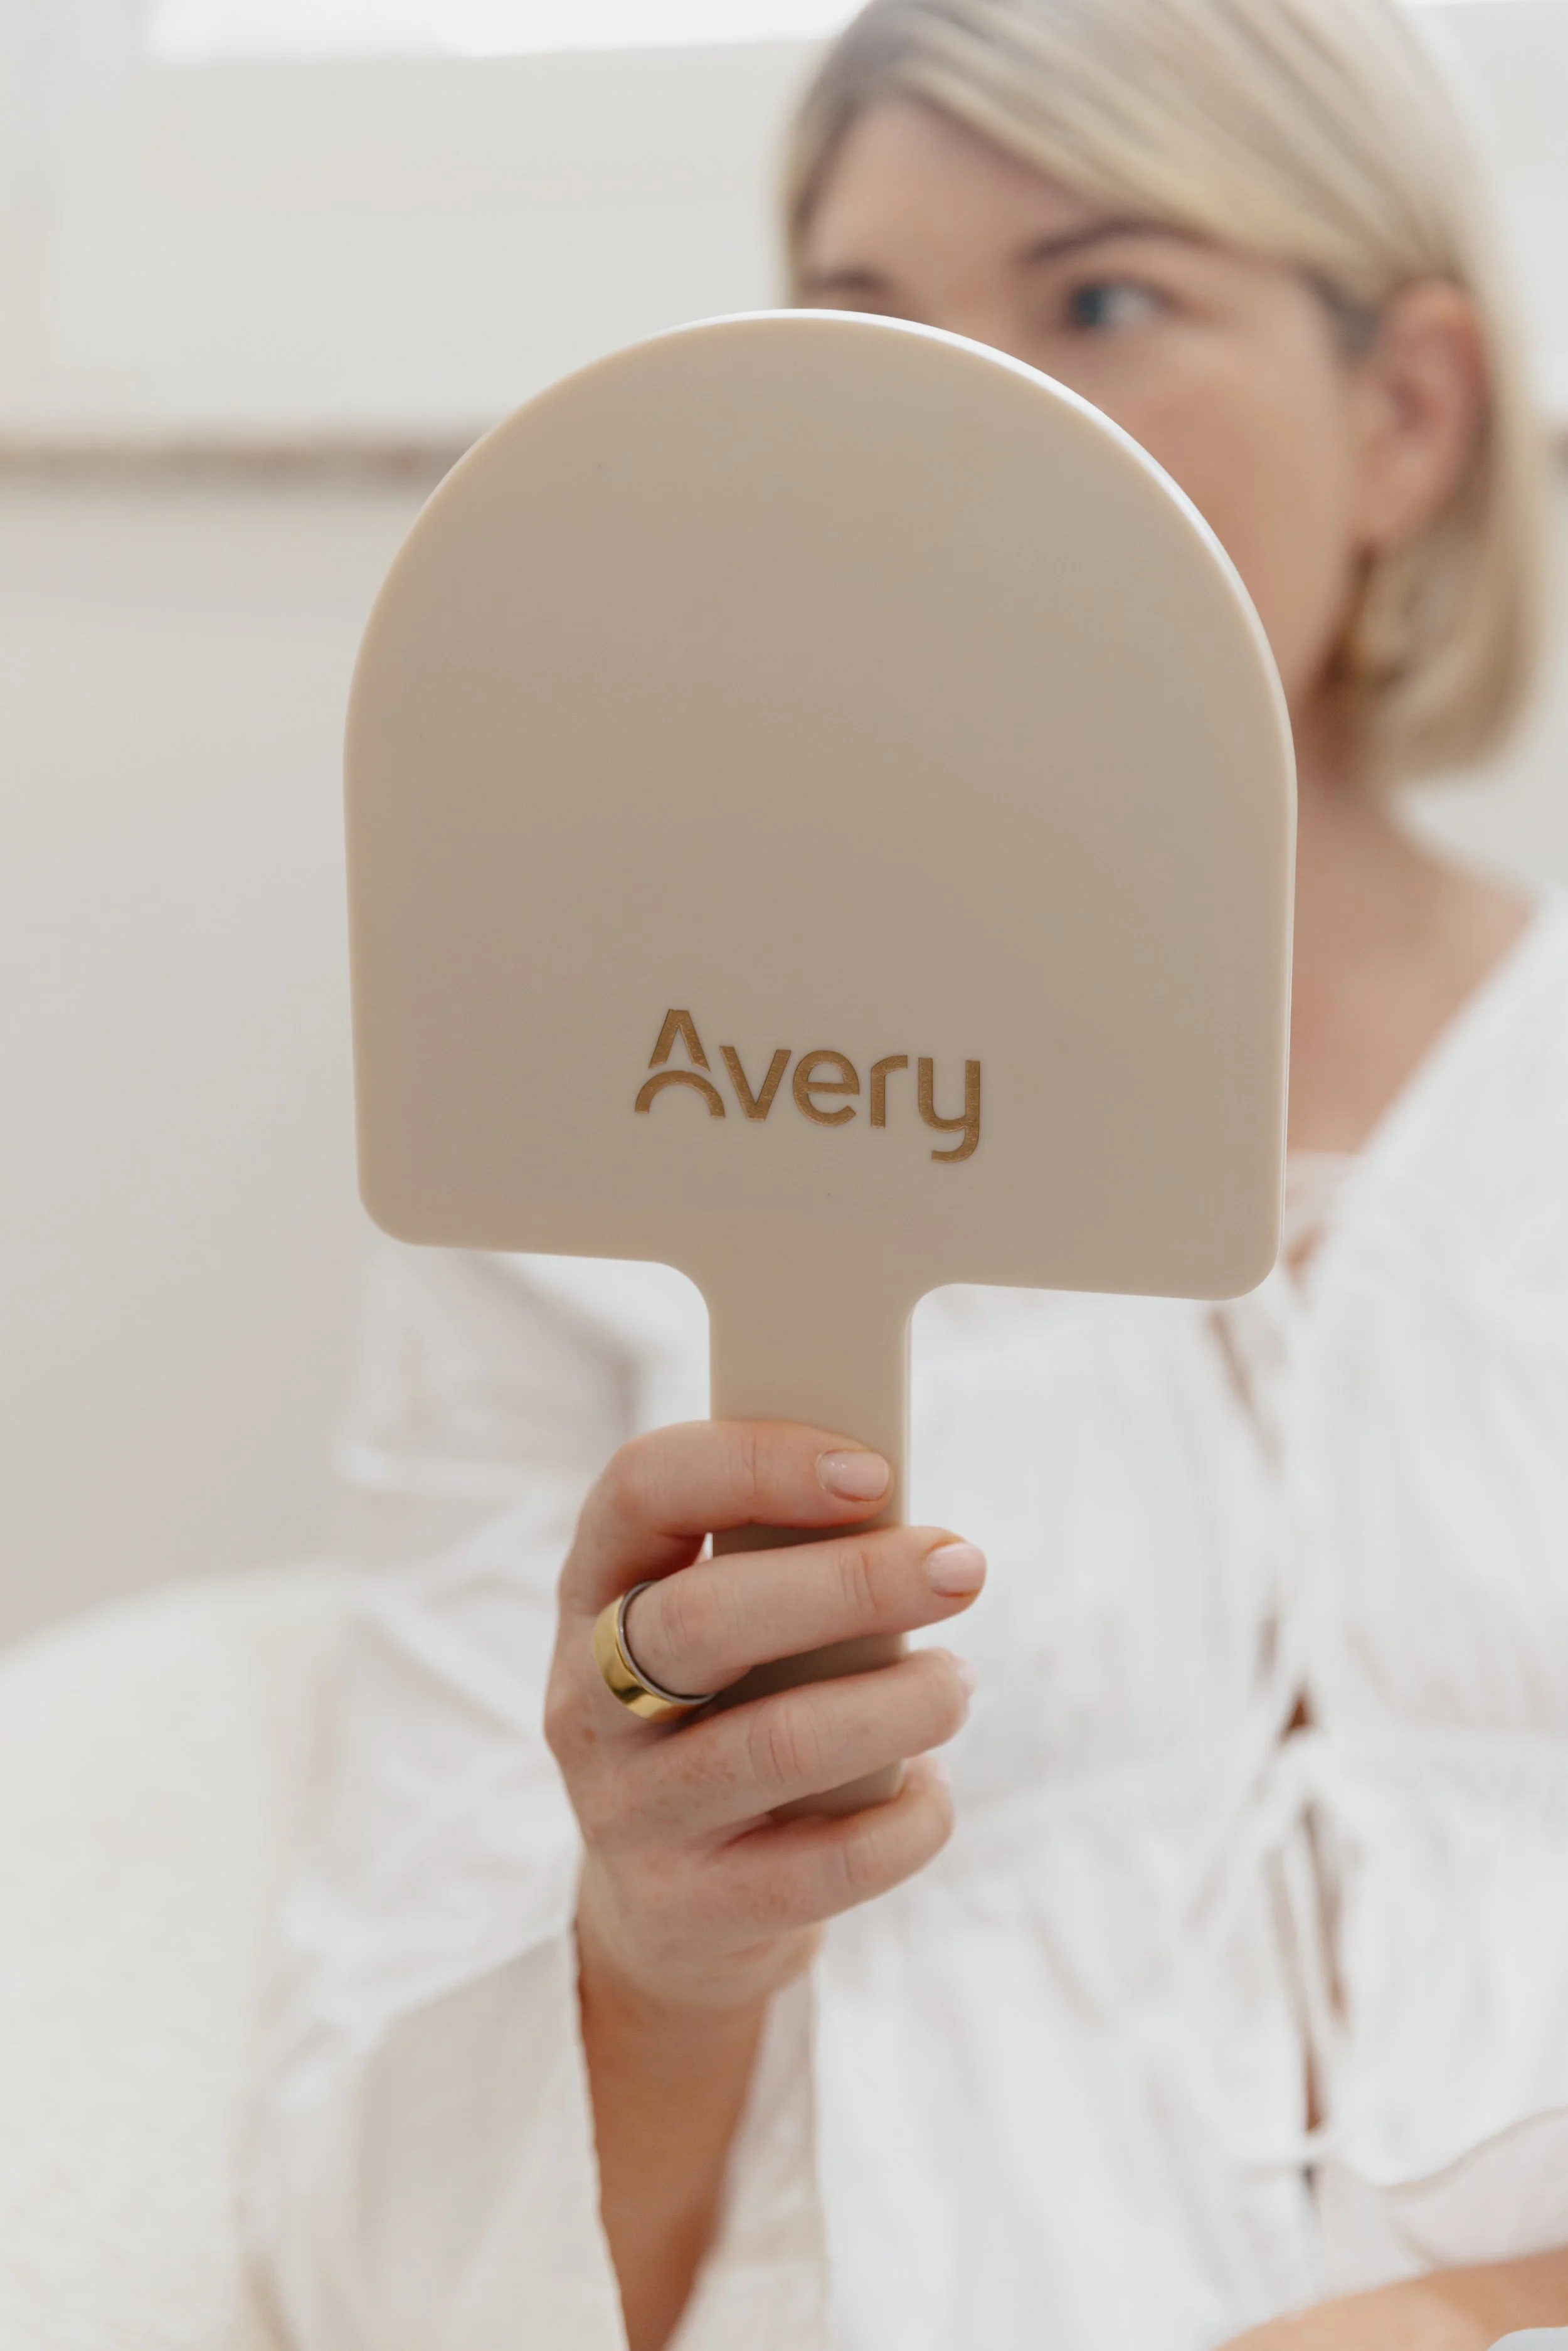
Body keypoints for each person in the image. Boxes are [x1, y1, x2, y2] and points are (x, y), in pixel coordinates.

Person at [243, 2, 1568, 2346]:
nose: (970, 433)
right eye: (862, 336)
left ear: (1407, 414)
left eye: (1103, 301)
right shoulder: (587, 1177)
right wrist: (656, 1958)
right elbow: (388, 2278)